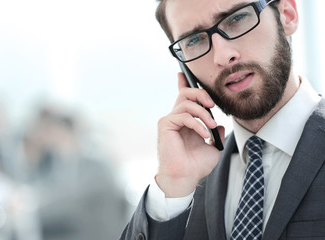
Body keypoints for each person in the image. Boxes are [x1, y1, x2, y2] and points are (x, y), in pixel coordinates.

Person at [120, 0, 325, 239]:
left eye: (237, 19)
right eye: (194, 40)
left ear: (287, 15)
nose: (223, 56)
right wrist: (173, 184)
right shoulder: (189, 184)